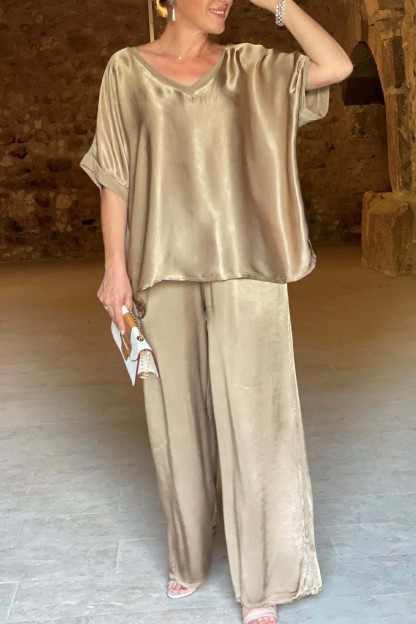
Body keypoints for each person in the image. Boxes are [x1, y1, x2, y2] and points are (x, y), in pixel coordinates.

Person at [80, 0, 353, 622]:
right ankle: (189, 556)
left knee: (259, 419)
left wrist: (279, 3)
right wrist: (115, 268)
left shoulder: (250, 67)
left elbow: (336, 66)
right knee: (176, 421)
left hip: (247, 267)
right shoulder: (126, 70)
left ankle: (264, 581)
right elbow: (114, 174)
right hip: (161, 268)